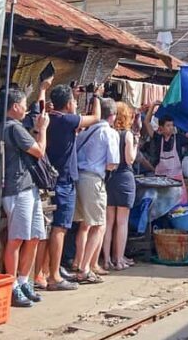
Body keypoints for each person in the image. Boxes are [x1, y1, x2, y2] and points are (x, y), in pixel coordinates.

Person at [45, 84, 102, 291]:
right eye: (73, 101)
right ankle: (54, 276)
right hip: (64, 180)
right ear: (68, 104)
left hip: (53, 178)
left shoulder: (51, 118)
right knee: (60, 228)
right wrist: (96, 96)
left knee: (52, 228)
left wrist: (72, 98)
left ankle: (48, 272)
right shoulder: (66, 120)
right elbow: (96, 117)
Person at [2, 86, 50, 307]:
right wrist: (43, 129)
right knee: (17, 239)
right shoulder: (14, 128)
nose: (25, 108)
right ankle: (12, 285)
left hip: (28, 188)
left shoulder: (12, 127)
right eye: (23, 104)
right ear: (15, 106)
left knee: (34, 236)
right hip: (18, 188)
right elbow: (39, 151)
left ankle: (23, 280)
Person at [71, 97, 119, 284]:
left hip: (79, 178)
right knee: (99, 225)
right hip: (94, 179)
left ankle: (79, 262)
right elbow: (112, 162)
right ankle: (85, 269)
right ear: (112, 116)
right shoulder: (110, 133)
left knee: (85, 224)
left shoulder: (85, 131)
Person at [143, 104, 188, 204]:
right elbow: (146, 122)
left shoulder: (179, 138)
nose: (171, 128)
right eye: (168, 125)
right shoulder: (157, 138)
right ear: (161, 128)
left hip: (176, 180)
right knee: (162, 206)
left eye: (172, 125)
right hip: (161, 181)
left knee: (179, 206)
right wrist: (152, 106)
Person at [103, 102, 139, 271]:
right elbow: (130, 159)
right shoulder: (127, 135)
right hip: (124, 177)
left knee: (109, 222)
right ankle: (119, 260)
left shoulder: (109, 133)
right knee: (122, 222)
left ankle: (107, 260)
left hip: (110, 179)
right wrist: (136, 144)